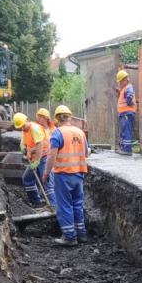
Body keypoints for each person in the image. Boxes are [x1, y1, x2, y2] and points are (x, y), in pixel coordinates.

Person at [43, 105, 90, 246]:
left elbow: (52, 155)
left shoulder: (57, 133)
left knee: (64, 206)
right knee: (77, 204)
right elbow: (86, 152)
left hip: (63, 175)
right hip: (79, 174)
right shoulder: (80, 132)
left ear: (57, 118)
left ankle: (69, 236)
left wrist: (46, 172)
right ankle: (81, 234)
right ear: (70, 117)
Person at [14, 113, 51, 207]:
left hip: (45, 158)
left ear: (27, 120)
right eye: (20, 127)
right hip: (36, 159)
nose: (22, 128)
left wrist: (37, 162)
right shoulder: (25, 130)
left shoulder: (34, 128)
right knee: (27, 179)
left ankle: (53, 206)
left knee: (46, 182)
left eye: (23, 125)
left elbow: (40, 146)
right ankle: (36, 202)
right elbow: (23, 142)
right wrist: (22, 147)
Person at [33, 107, 56, 207]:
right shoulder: (35, 128)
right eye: (38, 117)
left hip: (50, 158)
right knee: (41, 180)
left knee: (48, 181)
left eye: (41, 117)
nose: (39, 119)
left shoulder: (53, 129)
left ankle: (53, 204)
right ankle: (44, 200)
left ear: (46, 118)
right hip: (37, 159)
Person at [115, 69, 136, 154]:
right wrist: (119, 93)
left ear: (124, 80)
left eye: (120, 81)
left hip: (127, 113)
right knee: (124, 131)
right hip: (125, 114)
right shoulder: (125, 88)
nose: (120, 83)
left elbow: (129, 95)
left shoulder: (128, 87)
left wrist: (129, 102)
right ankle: (124, 148)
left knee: (126, 131)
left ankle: (127, 150)